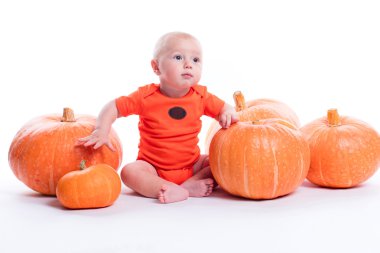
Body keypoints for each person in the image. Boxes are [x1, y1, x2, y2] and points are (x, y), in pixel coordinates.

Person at [77, 32, 238, 203]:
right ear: (156, 67)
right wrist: (102, 130)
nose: (188, 65)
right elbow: (113, 107)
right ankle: (163, 187)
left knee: (219, 162)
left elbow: (224, 108)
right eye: (178, 57)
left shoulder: (201, 96)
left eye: (195, 60)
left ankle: (188, 185)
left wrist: (228, 112)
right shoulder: (145, 97)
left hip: (192, 165)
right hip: (152, 168)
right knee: (129, 172)